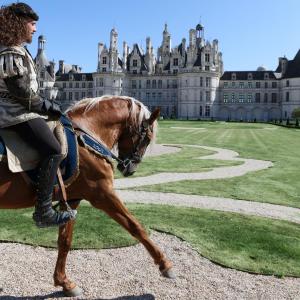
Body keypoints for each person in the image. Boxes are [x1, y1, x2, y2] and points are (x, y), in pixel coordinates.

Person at [0, 2, 76, 227]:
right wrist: (47, 106)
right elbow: (21, 92)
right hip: (14, 113)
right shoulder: (11, 49)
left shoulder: (15, 47)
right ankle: (43, 212)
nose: (34, 29)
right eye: (32, 24)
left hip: (18, 109)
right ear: (19, 23)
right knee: (53, 148)